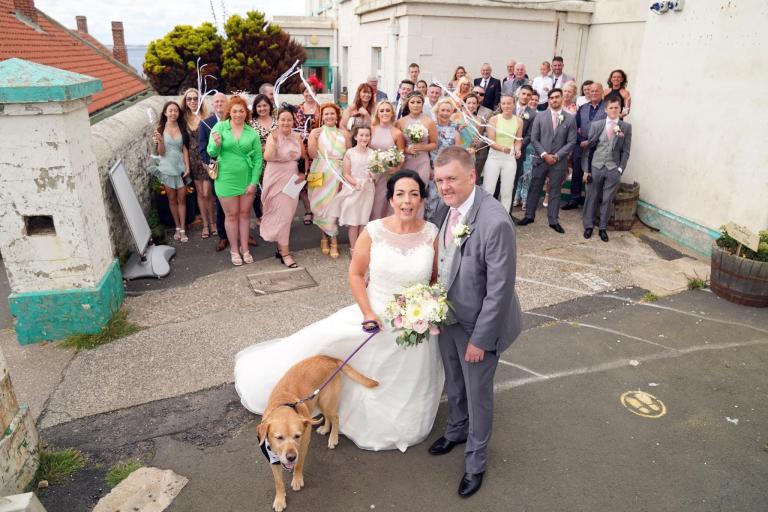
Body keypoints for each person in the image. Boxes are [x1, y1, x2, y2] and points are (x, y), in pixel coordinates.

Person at [234, 170, 444, 453]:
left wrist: (427, 307)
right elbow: (356, 274)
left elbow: (433, 278)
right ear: (391, 199)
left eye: (414, 194)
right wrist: (368, 313)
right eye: (400, 194)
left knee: (410, 379)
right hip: (375, 315)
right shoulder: (374, 232)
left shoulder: (431, 233)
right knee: (323, 349)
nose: (407, 201)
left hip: (415, 325)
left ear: (422, 199)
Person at [429, 146, 522, 498]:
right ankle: (455, 430)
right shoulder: (446, 207)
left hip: (480, 325)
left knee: (478, 394)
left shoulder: (495, 221)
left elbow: (499, 290)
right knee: (454, 382)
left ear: (472, 176)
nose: (445, 187)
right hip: (447, 316)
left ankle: (475, 461)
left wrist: (480, 340)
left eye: (451, 179)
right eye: (439, 181)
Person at [207, 96, 263, 266]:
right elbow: (211, 152)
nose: (238, 114)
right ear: (229, 112)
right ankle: (234, 250)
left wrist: (254, 182)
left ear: (246, 113)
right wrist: (216, 144)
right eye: (234, 111)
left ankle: (245, 248)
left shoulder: (251, 132)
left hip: (246, 178)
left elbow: (258, 159)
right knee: (231, 216)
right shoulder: (220, 127)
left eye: (241, 111)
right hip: (226, 178)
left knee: (245, 215)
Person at [518, 88, 577, 233]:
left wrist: (556, 156)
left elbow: (571, 141)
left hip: (559, 161)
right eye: (551, 98)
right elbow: (534, 138)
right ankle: (529, 215)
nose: (554, 100)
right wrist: (544, 154)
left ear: (562, 99)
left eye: (557, 97)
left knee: (555, 190)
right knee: (534, 187)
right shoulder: (540, 116)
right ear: (549, 100)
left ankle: (553, 220)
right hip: (541, 159)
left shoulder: (570, 118)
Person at [260, 108, 307, 268]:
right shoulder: (272, 135)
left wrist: (303, 173)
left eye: (288, 119)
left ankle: (281, 248)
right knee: (277, 212)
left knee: (287, 215)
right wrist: (274, 140)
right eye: (282, 119)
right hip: (274, 176)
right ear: (277, 121)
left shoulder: (297, 136)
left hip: (293, 179)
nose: (286, 122)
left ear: (293, 121)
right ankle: (285, 252)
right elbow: (268, 157)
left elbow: (304, 157)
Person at [581, 96, 632, 242]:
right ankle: (588, 225)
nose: (614, 110)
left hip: (613, 168)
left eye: (617, 107)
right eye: (611, 107)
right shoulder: (597, 125)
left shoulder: (626, 127)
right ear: (606, 109)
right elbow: (589, 149)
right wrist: (587, 169)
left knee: (607, 199)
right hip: (596, 166)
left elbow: (626, 151)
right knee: (592, 196)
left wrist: (620, 168)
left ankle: (603, 227)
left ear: (620, 109)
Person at [307, 103, 351, 259]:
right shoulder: (316, 132)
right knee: (320, 206)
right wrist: (313, 138)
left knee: (333, 206)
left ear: (337, 115)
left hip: (337, 173)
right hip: (320, 171)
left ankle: (333, 239)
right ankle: (324, 237)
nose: (329, 116)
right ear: (321, 116)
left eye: (332, 113)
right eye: (326, 114)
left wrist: (346, 176)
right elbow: (312, 154)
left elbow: (348, 155)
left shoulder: (344, 133)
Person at [327, 125, 376, 255]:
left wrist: (373, 175)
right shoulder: (350, 153)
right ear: (355, 136)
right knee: (354, 221)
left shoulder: (373, 153)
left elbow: (375, 173)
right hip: (354, 188)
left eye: (367, 135)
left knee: (363, 220)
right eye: (361, 135)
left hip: (368, 189)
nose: (364, 138)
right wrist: (356, 183)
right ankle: (353, 249)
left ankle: (361, 248)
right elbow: (346, 173)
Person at [151, 100, 191, 243]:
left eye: (176, 110)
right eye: (170, 110)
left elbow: (185, 149)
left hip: (180, 168)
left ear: (178, 113)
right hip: (167, 168)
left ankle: (184, 229)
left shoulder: (182, 127)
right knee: (172, 200)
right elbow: (161, 153)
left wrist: (187, 167)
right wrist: (160, 141)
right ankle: (178, 227)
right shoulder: (160, 129)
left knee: (182, 200)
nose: (173, 113)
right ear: (165, 113)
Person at [563, 82, 606, 210]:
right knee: (577, 172)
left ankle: (591, 203)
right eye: (591, 91)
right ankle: (574, 199)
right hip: (580, 145)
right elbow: (575, 127)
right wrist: (580, 140)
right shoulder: (583, 107)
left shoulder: (607, 108)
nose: (593, 93)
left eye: (596, 91)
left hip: (598, 146)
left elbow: (608, 128)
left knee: (594, 174)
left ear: (602, 92)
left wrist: (591, 141)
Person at [396, 92, 438, 217]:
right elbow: (399, 147)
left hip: (422, 161)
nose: (415, 105)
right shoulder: (400, 122)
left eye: (418, 102)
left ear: (422, 104)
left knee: (419, 191)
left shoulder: (428, 122)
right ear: (408, 104)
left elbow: (435, 143)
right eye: (412, 102)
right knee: (405, 191)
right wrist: (408, 150)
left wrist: (422, 147)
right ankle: (403, 218)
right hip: (407, 162)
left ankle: (418, 220)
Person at [179, 88, 213, 239]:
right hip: (192, 159)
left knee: (208, 192)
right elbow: (182, 143)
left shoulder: (208, 117)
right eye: (189, 99)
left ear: (200, 100)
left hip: (206, 157)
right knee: (200, 192)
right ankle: (205, 224)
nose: (193, 101)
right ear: (185, 102)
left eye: (195, 98)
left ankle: (213, 222)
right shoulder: (183, 119)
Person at [482, 94, 522, 213]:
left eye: (509, 103)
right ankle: (485, 215)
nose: (506, 106)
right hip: (494, 157)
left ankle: (504, 218)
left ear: (514, 104)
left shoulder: (519, 121)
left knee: (507, 190)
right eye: (503, 103)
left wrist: (518, 149)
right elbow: (491, 142)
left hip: (509, 159)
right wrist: (502, 148)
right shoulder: (494, 119)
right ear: (500, 105)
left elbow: (518, 140)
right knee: (488, 189)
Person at [199, 92, 228, 251]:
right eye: (216, 102)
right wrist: (211, 165)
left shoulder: (234, 119)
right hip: (217, 169)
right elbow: (202, 149)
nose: (219, 104)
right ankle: (223, 236)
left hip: (235, 169)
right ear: (212, 104)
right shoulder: (206, 124)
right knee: (221, 203)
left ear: (227, 103)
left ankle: (240, 234)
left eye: (222, 101)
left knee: (238, 203)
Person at [370, 101, 406, 220]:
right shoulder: (371, 130)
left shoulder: (397, 133)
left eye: (387, 110)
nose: (385, 113)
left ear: (392, 114)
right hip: (370, 173)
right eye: (382, 111)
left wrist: (396, 169)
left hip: (386, 175)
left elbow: (401, 155)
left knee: (380, 204)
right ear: (377, 114)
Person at [249, 94, 277, 225]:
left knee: (274, 190)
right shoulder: (251, 123)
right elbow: (248, 143)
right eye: (259, 106)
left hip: (276, 161)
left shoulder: (277, 120)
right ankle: (260, 216)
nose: (262, 108)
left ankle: (274, 215)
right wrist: (262, 148)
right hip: (259, 162)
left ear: (270, 106)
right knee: (260, 191)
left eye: (265, 105)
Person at [295, 83, 319, 226]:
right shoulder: (298, 110)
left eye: (312, 91)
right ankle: (308, 211)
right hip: (301, 149)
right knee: (303, 183)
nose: (309, 94)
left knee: (316, 181)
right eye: (306, 91)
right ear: (302, 93)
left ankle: (317, 210)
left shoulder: (321, 108)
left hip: (317, 150)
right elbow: (292, 128)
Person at [511, 85, 537, 208]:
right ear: (519, 94)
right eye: (523, 93)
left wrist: (517, 146)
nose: (525, 96)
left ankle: (509, 210)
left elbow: (530, 135)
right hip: (502, 149)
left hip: (518, 152)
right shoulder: (507, 107)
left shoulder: (533, 114)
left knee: (514, 180)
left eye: (528, 95)